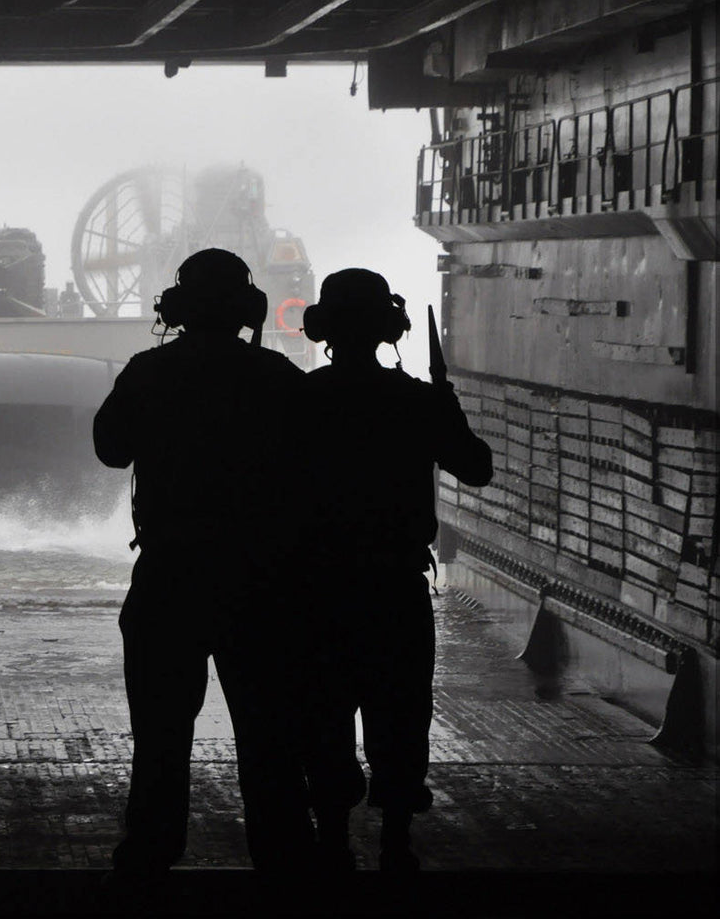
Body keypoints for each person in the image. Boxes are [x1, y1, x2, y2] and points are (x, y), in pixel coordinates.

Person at [93, 248, 314, 884]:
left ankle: (150, 854)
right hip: (262, 583)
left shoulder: (147, 372)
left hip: (171, 573)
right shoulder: (278, 377)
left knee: (161, 733)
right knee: (271, 736)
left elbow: (111, 450)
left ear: (176, 309)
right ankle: (285, 858)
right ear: (248, 309)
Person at [297, 268, 492, 872]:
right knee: (400, 712)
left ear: (322, 328)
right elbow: (477, 468)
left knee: (323, 714)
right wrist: (446, 404)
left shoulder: (298, 399)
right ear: (392, 327)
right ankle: (396, 840)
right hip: (393, 587)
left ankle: (330, 836)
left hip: (318, 588)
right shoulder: (418, 401)